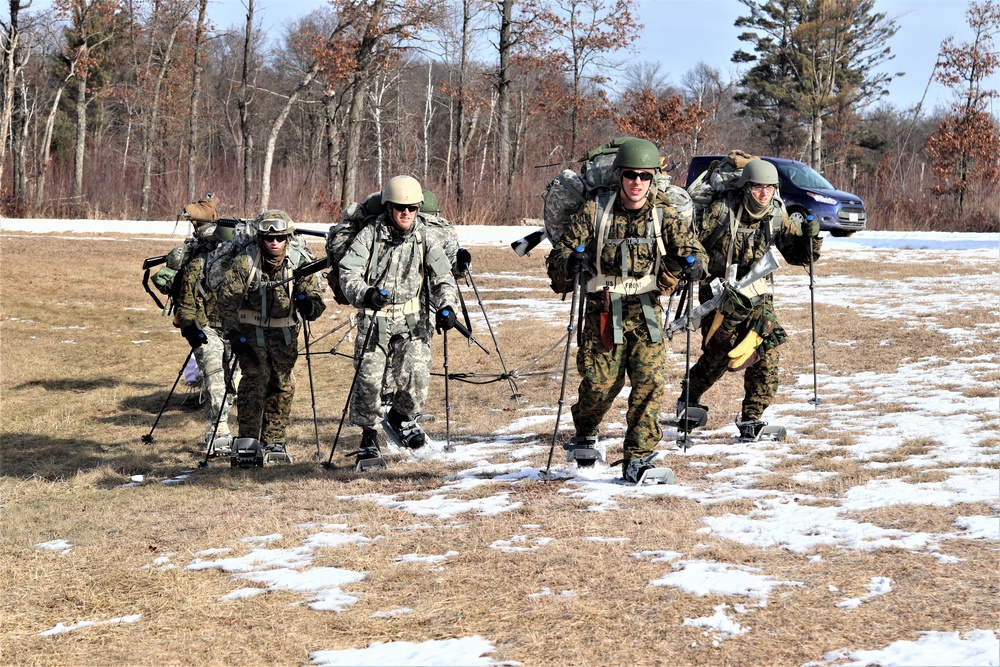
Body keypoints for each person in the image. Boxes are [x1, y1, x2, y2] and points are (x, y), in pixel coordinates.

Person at [547, 138, 708, 483]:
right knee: (600, 386)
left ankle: (638, 456)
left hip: (646, 310)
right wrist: (569, 260)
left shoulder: (663, 211)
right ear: (621, 176)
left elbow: (694, 249)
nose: (638, 183)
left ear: (653, 179)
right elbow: (559, 254)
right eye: (631, 175)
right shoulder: (595, 210)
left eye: (645, 177)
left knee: (650, 382)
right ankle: (586, 427)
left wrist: (696, 265)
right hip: (602, 308)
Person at [676, 158, 822, 440]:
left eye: (769, 188)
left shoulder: (776, 214)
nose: (764, 194)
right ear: (745, 188)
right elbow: (691, 241)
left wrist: (810, 238)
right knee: (720, 353)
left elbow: (799, 256)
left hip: (759, 293)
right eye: (757, 188)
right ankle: (689, 397)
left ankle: (752, 418)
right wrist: (694, 263)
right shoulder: (720, 211)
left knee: (766, 352)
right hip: (719, 291)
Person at [339, 175, 459, 468]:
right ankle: (369, 436)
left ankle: (403, 418)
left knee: (417, 377)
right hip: (375, 318)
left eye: (412, 208)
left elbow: (443, 277)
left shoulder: (425, 236)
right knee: (369, 381)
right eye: (400, 208)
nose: (406, 214)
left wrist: (447, 307)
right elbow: (347, 272)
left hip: (411, 318)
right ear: (389, 208)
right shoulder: (370, 234)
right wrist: (366, 293)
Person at [217, 210, 326, 458]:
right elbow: (226, 301)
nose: (274, 243)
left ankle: (274, 441)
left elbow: (317, 303)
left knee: (282, 384)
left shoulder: (299, 262)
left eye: (279, 238)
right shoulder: (245, 262)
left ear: (288, 238)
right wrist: (232, 333)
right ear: (260, 239)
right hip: (250, 331)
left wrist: (308, 304)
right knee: (256, 378)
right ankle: (247, 440)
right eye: (269, 238)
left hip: (284, 334)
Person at [174, 218, 239, 453]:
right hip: (207, 327)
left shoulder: (246, 263)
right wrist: (190, 329)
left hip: (237, 329)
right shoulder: (198, 264)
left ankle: (224, 416)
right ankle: (219, 427)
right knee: (214, 374)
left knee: (235, 378)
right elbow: (187, 302)